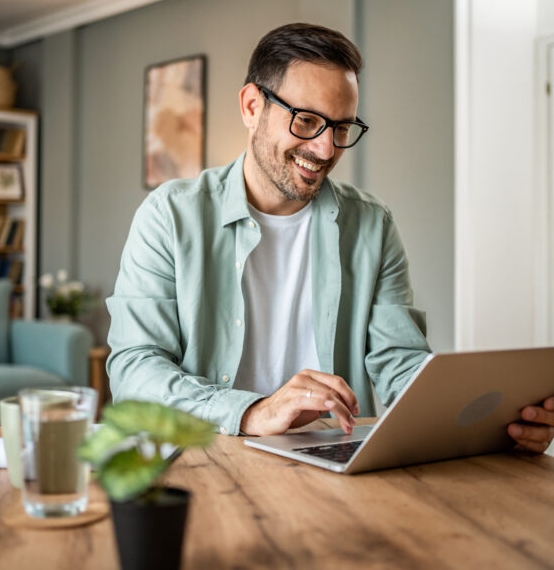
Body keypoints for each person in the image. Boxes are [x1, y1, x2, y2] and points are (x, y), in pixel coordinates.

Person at [107, 23, 554, 452]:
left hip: (335, 466)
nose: (325, 149)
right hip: (210, 456)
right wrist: (252, 412)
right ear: (250, 107)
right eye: (306, 120)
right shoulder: (170, 215)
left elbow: (400, 363)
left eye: (341, 128)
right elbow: (134, 368)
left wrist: (494, 424)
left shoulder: (373, 226)